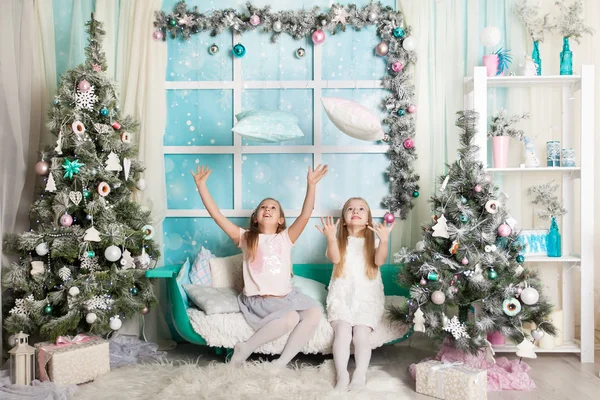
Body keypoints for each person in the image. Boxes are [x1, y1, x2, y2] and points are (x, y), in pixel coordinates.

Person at [191, 164, 328, 368]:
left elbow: (305, 215)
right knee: (290, 318)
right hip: (260, 301)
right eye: (263, 207)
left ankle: (281, 362)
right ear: (255, 217)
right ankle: (245, 348)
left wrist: (311, 185)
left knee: (314, 311)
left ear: (281, 219)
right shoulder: (246, 238)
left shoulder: (285, 238)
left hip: (287, 296)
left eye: (273, 207)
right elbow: (217, 216)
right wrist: (202, 186)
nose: (268, 209)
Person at [316, 197, 394, 389]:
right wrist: (330, 237)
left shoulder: (373, 241)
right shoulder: (339, 241)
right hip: (341, 298)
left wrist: (384, 241)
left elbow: (380, 261)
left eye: (361, 209)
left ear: (368, 218)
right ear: (343, 219)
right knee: (342, 332)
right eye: (350, 209)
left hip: (367, 299)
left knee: (360, 334)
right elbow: (334, 257)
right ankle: (342, 375)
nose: (355, 211)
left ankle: (359, 374)